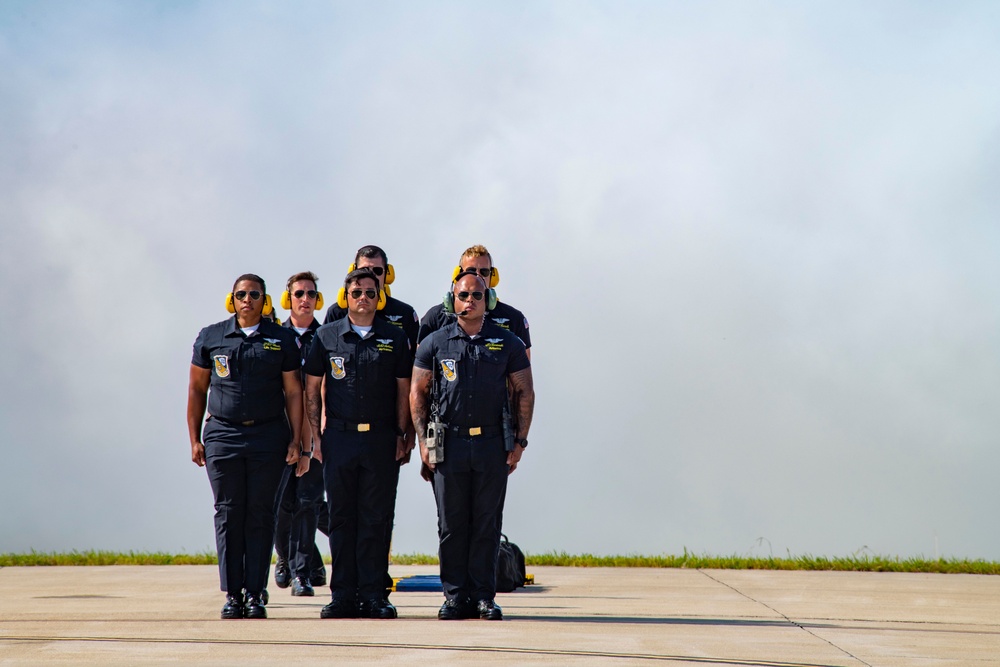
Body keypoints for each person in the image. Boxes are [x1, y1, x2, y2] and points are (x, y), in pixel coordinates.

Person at [410, 270, 535, 621]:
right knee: (451, 525)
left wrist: (520, 442)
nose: (469, 301)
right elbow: (417, 392)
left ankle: (483, 596)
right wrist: (423, 441)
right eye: (463, 295)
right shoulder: (434, 342)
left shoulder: (507, 343)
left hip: (492, 445)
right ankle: (454, 596)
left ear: (488, 301)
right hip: (448, 445)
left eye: (477, 296)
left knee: (486, 524)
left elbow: (525, 391)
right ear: (453, 299)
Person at [187, 274, 308, 619]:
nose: (248, 300)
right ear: (232, 299)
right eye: (242, 294)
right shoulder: (211, 337)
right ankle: (233, 593)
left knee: (260, 514)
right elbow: (197, 389)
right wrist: (195, 438)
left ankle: (255, 593)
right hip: (223, 436)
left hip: (268, 437)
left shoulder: (281, 339)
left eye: (255, 294)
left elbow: (294, 392)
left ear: (265, 300)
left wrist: (296, 441)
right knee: (228, 512)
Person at [305, 269, 413, 619]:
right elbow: (311, 390)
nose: (363, 298)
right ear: (345, 296)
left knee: (375, 519)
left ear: (379, 296)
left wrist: (402, 434)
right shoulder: (326, 336)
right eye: (356, 292)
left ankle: (374, 595)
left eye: (370, 292)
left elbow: (403, 391)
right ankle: (343, 596)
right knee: (341, 519)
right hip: (339, 438)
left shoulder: (394, 338)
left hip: (381, 439)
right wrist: (316, 438)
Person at [273, 272, 329, 597]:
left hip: (316, 431)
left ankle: (302, 572)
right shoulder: (274, 336)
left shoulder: (327, 337)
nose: (304, 299)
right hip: (279, 431)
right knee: (282, 502)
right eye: (299, 293)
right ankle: (285, 558)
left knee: (308, 501)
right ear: (288, 298)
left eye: (310, 293)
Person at [416, 245, 531, 358]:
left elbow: (523, 370)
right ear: (458, 274)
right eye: (471, 270)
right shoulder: (435, 317)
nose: (478, 275)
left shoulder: (513, 318)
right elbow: (420, 365)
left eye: (484, 271)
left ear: (492, 276)